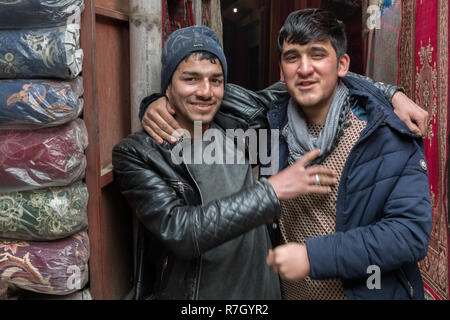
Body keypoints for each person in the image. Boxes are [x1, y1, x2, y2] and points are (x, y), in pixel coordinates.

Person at [140, 10, 432, 300]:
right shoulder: (268, 124)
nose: (304, 68)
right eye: (292, 58)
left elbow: (409, 234)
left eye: (317, 55)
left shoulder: (385, 134)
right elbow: (205, 99)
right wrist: (157, 102)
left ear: (343, 64)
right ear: (281, 72)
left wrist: (312, 256)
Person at [112, 25, 338, 300]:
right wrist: (272, 191)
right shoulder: (138, 154)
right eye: (191, 79)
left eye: (216, 80)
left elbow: (317, 76)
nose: (206, 92)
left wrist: (390, 93)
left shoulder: (242, 125)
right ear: (167, 89)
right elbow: (181, 231)